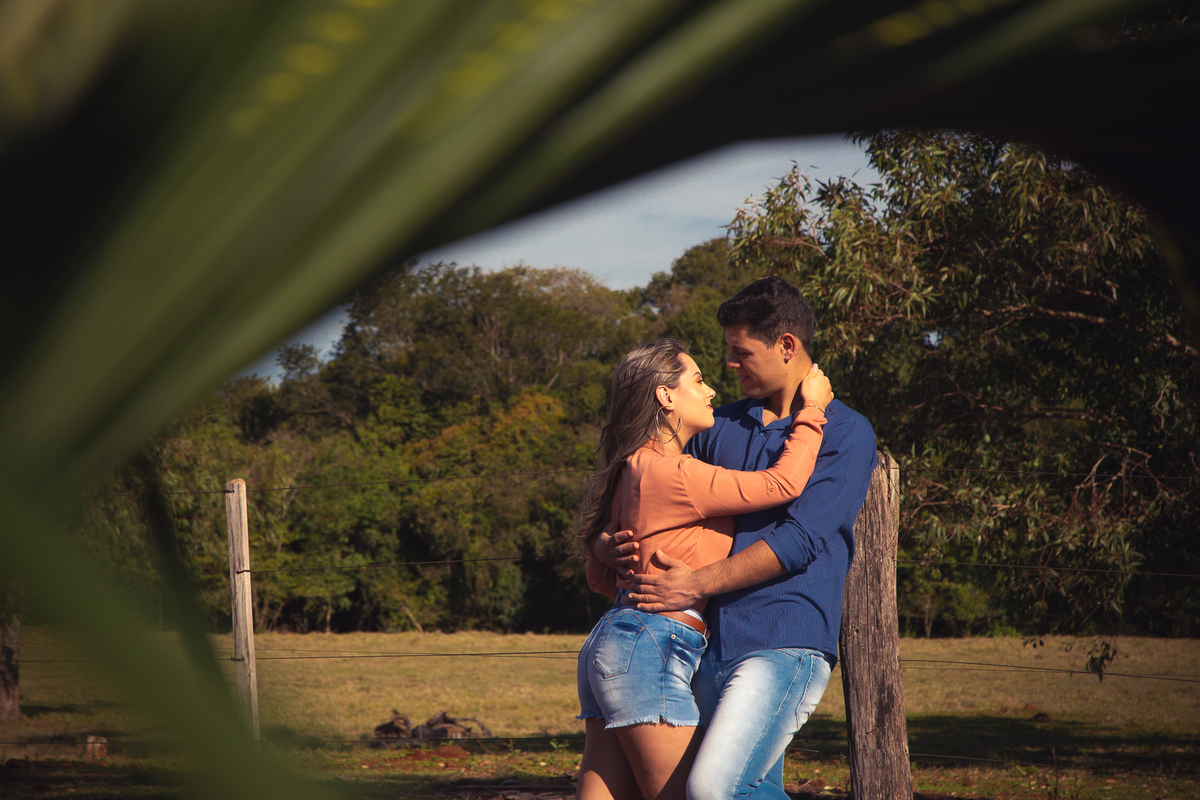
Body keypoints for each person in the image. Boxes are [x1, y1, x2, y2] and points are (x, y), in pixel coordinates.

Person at [594, 277, 877, 800]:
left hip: (783, 639)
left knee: (714, 788)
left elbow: (799, 540)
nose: (729, 364)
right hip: (705, 645)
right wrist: (605, 543)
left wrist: (695, 583)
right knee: (746, 787)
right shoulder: (718, 427)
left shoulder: (845, 431)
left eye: (741, 352)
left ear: (786, 345)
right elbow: (652, 489)